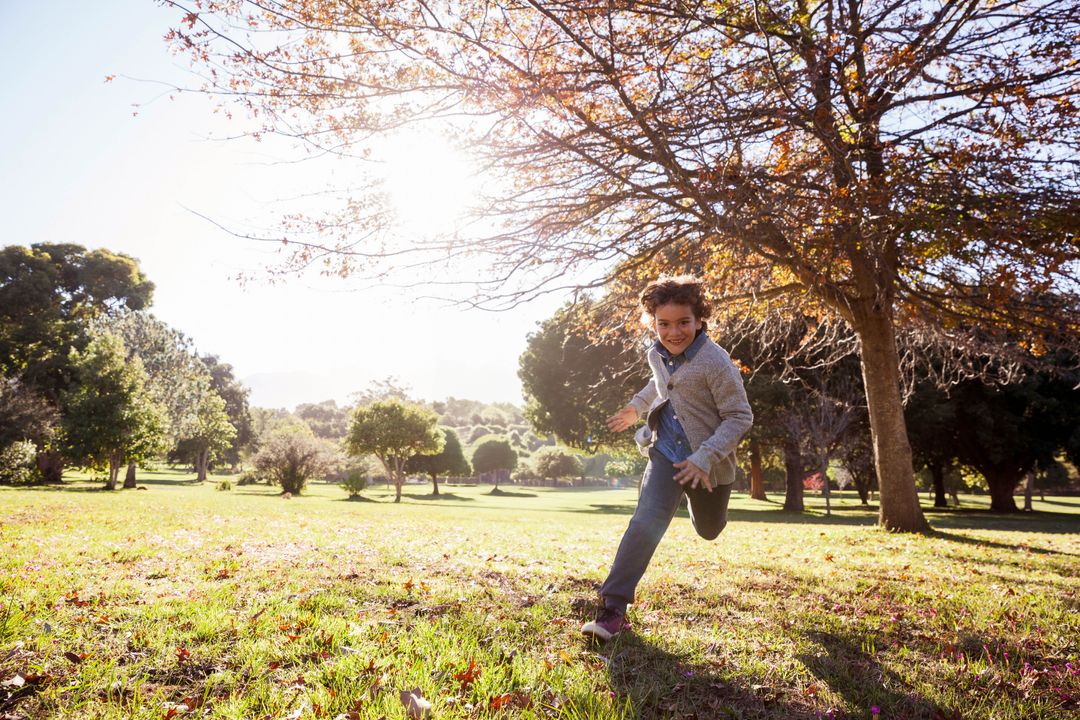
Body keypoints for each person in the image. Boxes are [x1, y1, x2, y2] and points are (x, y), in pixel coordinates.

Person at [581, 276, 754, 641]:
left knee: (709, 530)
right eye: (664, 324)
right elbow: (659, 384)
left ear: (700, 320)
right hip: (665, 453)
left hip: (706, 465)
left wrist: (705, 457)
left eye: (683, 323)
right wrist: (636, 407)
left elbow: (740, 416)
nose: (673, 332)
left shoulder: (716, 362)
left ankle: (696, 503)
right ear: (653, 322)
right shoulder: (657, 353)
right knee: (645, 521)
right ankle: (613, 608)